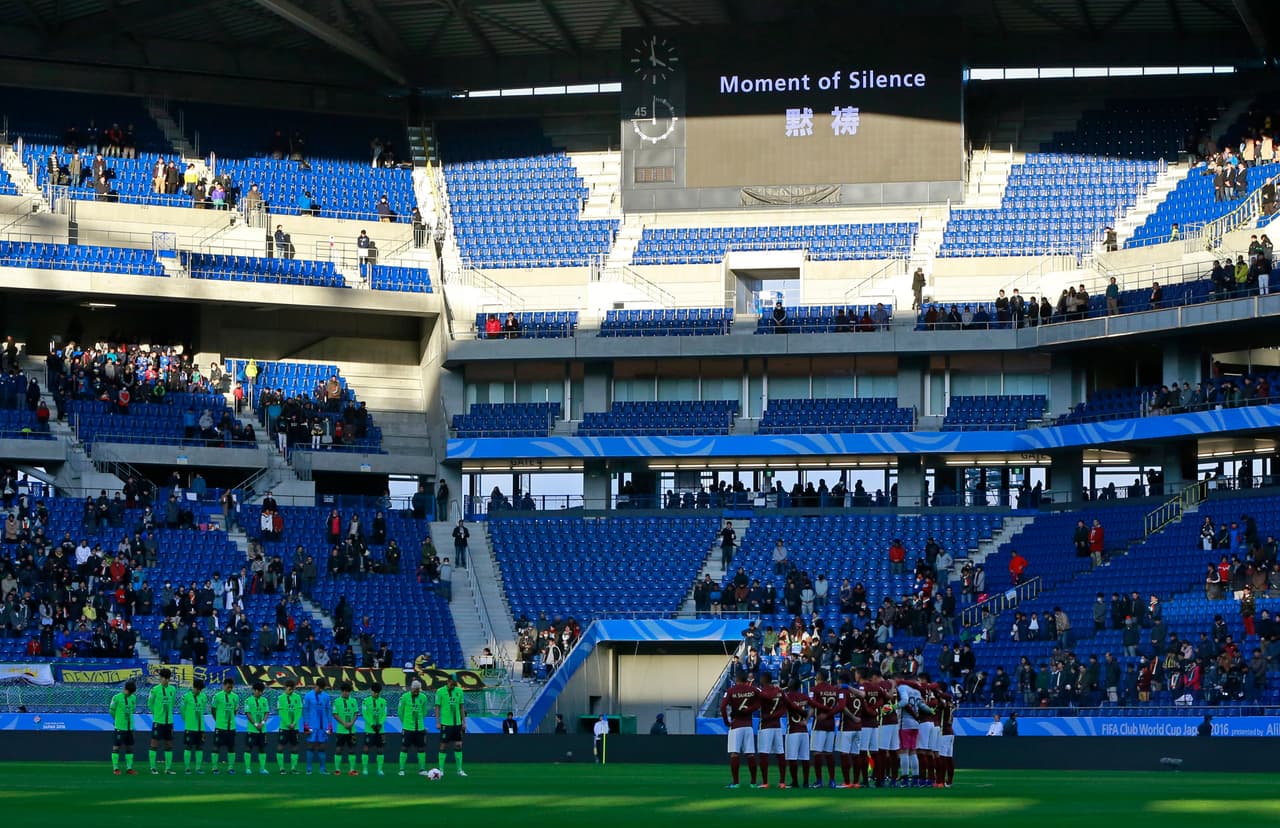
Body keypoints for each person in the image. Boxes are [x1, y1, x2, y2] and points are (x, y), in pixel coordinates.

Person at [720, 670, 761, 788]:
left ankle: (736, 783)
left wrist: (727, 722)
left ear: (736, 679)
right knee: (750, 754)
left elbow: (723, 707)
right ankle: (753, 783)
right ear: (746, 679)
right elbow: (761, 701)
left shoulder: (731, 691)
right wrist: (750, 709)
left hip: (736, 725)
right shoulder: (753, 690)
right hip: (748, 726)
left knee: (734, 754)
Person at [754, 672, 786, 788]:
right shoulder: (779, 691)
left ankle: (765, 782)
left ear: (763, 680)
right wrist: (777, 715)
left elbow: (756, 706)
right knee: (780, 753)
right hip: (777, 726)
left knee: (764, 754)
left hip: (765, 726)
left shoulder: (762, 692)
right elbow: (786, 706)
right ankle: (782, 782)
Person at [781, 677, 812, 789]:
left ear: (791, 685)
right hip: (804, 731)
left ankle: (795, 782)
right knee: (805, 758)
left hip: (793, 730)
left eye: (789, 682)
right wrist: (807, 720)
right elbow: (813, 706)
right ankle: (806, 782)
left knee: (792, 758)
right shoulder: (804, 696)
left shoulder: (787, 696)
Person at [146, 667, 177, 775]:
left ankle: (168, 769)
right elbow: (150, 704)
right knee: (154, 743)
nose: (165, 680)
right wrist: (156, 714)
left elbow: (172, 703)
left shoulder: (173, 689)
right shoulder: (154, 690)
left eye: (167, 678)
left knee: (168, 744)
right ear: (160, 678)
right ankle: (153, 768)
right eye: (164, 678)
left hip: (169, 721)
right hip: (158, 721)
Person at [435, 674, 468, 777]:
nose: (454, 685)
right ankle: (441, 770)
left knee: (458, 745)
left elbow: (461, 707)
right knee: (443, 746)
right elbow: (437, 708)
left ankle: (459, 770)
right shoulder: (440, 691)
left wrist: (464, 722)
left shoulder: (459, 691)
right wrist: (438, 722)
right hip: (446, 723)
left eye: (455, 683)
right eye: (452, 683)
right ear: (448, 681)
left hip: (457, 724)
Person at [398, 679, 431, 776]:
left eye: (418, 690)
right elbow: (400, 712)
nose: (416, 692)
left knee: (421, 748)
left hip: (420, 728)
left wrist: (420, 721)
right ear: (411, 688)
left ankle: (422, 770)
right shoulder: (404, 697)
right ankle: (401, 770)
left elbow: (424, 711)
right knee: (404, 748)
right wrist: (405, 723)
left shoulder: (423, 697)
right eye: (415, 690)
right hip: (408, 728)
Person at [302, 676, 333, 774]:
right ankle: (309, 769)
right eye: (320, 688)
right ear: (316, 686)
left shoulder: (326, 696)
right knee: (310, 746)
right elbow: (305, 711)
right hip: (312, 725)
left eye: (322, 688)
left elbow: (328, 711)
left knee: (322, 747)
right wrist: (306, 724)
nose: (321, 690)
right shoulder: (308, 696)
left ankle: (322, 769)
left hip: (323, 725)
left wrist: (330, 724)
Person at [211, 677, 240, 774]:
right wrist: (218, 720)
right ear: (224, 686)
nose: (230, 689)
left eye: (231, 687)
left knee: (231, 747)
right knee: (216, 747)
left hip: (231, 727)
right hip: (220, 727)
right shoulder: (217, 696)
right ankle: (214, 768)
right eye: (228, 687)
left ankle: (230, 768)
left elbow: (235, 710)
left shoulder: (235, 697)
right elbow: (213, 710)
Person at [109, 679, 139, 775]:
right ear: (125, 689)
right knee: (116, 747)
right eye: (129, 692)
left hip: (130, 727)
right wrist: (117, 720)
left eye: (131, 693)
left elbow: (133, 709)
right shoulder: (116, 698)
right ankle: (115, 768)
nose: (130, 694)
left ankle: (129, 768)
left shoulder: (133, 698)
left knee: (129, 747)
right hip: (120, 726)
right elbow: (111, 710)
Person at [179, 677, 208, 774]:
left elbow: (203, 710)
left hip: (201, 727)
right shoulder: (186, 697)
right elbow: (182, 710)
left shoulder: (203, 697)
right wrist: (187, 720)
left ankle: (198, 768)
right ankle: (187, 768)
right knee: (188, 747)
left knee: (199, 747)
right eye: (198, 689)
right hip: (190, 727)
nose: (199, 691)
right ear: (194, 687)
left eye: (201, 689)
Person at [276, 678, 304, 774]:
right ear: (285, 687)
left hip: (295, 727)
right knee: (280, 747)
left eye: (293, 689)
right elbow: (281, 712)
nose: (291, 691)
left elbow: (299, 711)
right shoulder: (280, 698)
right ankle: (281, 768)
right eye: (289, 689)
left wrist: (294, 722)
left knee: (295, 747)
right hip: (284, 727)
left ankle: (293, 768)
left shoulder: (297, 697)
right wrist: (288, 723)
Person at [333, 680, 361, 776]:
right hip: (341, 730)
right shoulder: (336, 701)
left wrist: (351, 723)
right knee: (338, 749)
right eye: (345, 691)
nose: (346, 693)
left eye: (348, 691)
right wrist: (344, 723)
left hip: (351, 730)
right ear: (341, 691)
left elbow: (356, 713)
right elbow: (335, 714)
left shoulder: (353, 701)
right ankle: (337, 770)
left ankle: (352, 770)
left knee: (352, 749)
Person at [243, 681, 271, 775]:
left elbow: (267, 712)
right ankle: (247, 769)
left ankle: (262, 769)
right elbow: (248, 714)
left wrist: (262, 723)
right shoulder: (248, 700)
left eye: (261, 691)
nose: (260, 693)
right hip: (252, 729)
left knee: (262, 748)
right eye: (259, 691)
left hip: (262, 729)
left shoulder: (264, 700)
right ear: (254, 690)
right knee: (249, 748)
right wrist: (255, 724)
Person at [362, 682, 388, 775]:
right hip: (369, 729)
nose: (376, 694)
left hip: (380, 730)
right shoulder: (365, 701)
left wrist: (380, 723)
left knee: (380, 749)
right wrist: (372, 724)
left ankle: (380, 770)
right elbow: (365, 714)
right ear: (371, 691)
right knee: (366, 748)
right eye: (374, 692)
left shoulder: (383, 701)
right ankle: (365, 769)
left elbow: (384, 714)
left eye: (378, 692)